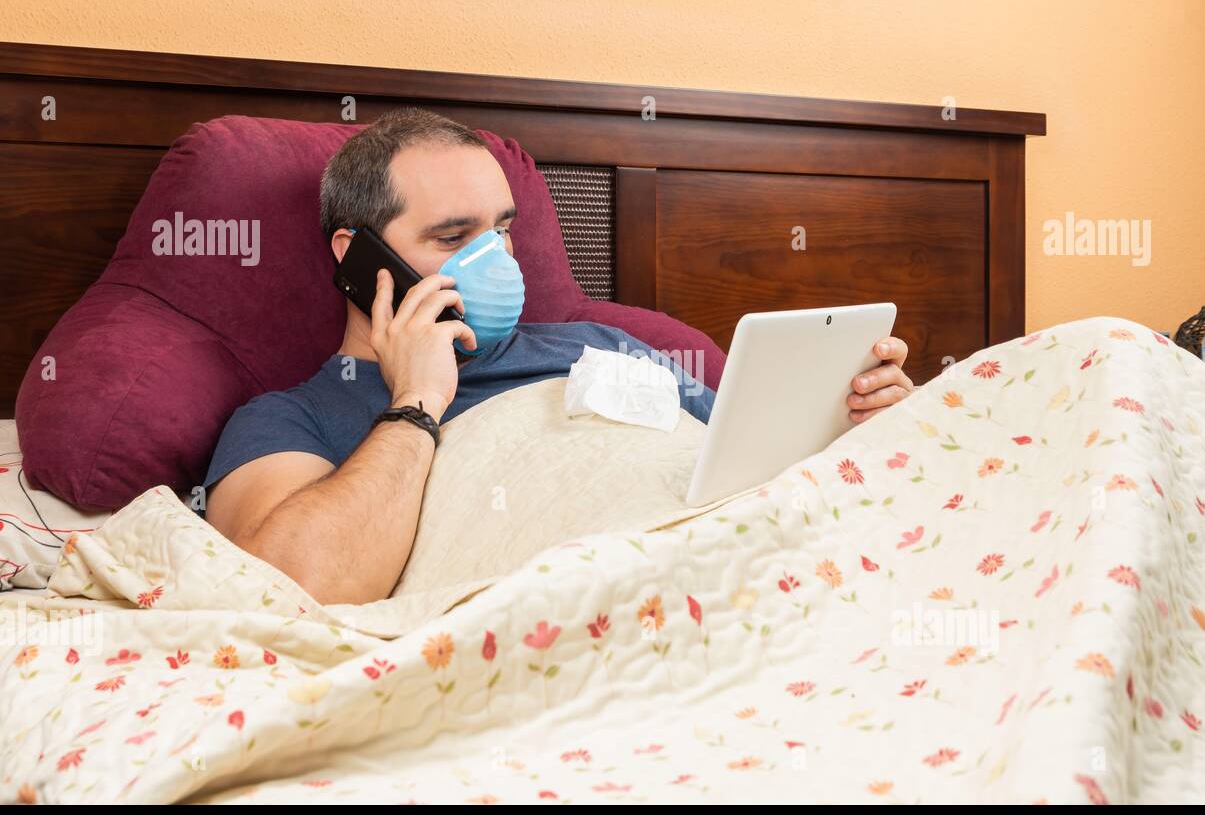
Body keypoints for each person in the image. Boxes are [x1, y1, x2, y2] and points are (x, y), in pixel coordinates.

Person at [203, 108, 914, 604]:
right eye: (454, 237)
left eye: (502, 230)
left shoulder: (600, 346)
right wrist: (417, 402)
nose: (496, 259)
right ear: (358, 258)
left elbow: (760, 472)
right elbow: (292, 588)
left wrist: (866, 426)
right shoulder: (289, 418)